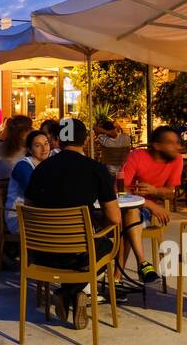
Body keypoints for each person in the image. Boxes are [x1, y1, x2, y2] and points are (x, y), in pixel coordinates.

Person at [23, 119, 122, 330]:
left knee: (84, 249)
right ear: (85, 140)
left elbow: (29, 207)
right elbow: (114, 219)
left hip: (41, 252)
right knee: (108, 243)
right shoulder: (96, 169)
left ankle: (69, 292)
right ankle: (71, 292)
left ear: (57, 139)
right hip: (79, 253)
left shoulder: (40, 169)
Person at [118, 126, 178, 282]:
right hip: (131, 206)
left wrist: (155, 191)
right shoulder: (137, 156)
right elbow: (119, 188)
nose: (176, 147)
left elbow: (171, 193)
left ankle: (117, 278)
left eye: (176, 142)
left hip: (146, 213)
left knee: (129, 221)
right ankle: (141, 265)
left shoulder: (177, 159)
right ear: (157, 145)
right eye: (170, 143)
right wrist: (149, 204)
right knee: (129, 216)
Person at [6, 129, 51, 237]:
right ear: (30, 150)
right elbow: (34, 192)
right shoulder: (23, 165)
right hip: (19, 217)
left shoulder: (46, 164)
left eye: (46, 143)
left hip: (36, 213)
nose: (44, 149)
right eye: (38, 145)